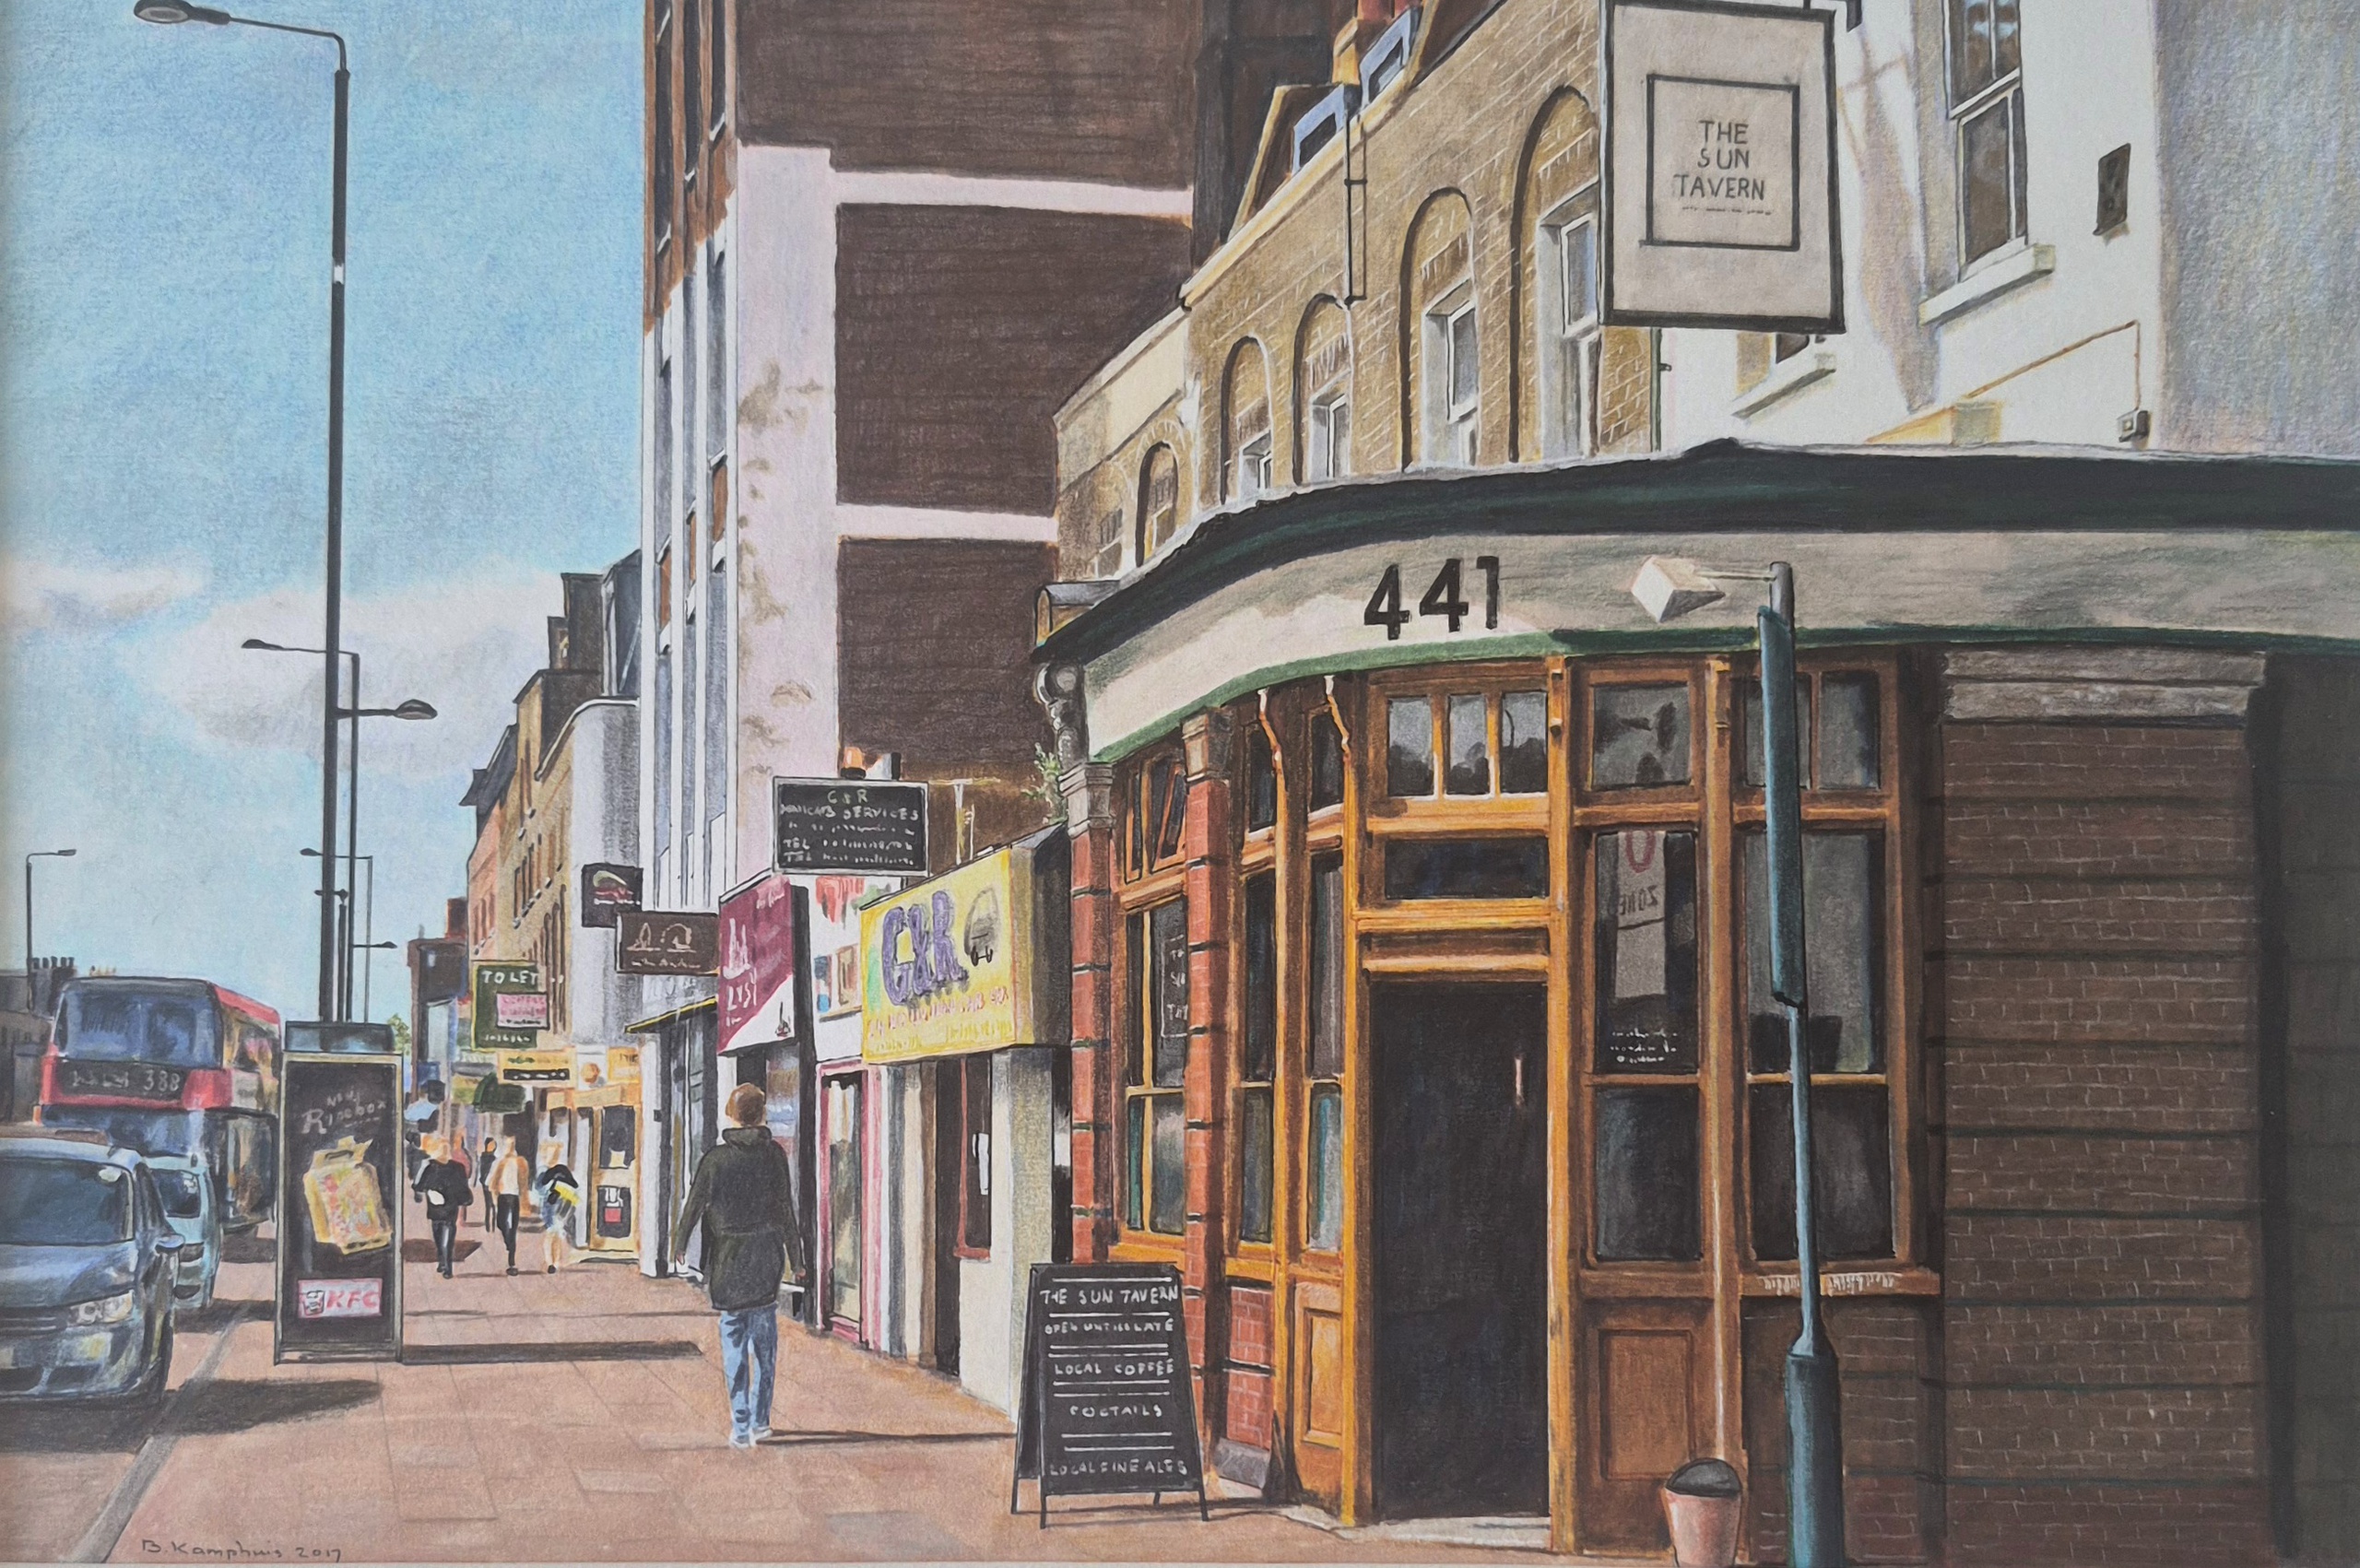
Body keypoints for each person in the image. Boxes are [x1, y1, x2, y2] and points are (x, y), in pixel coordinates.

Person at [672, 1083, 806, 1449]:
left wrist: (680, 1244)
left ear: (730, 1116)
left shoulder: (715, 1159)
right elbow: (786, 1211)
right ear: (762, 1115)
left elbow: (694, 1205)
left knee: (733, 1343)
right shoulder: (774, 1156)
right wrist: (797, 1259)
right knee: (765, 1347)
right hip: (765, 1260)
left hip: (728, 1260)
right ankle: (762, 1421)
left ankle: (741, 1424)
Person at [412, 1136, 473, 1279]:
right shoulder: (448, 1168)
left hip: (441, 1209)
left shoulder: (434, 1168)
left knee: (443, 1236)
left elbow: (420, 1186)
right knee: (442, 1236)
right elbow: (463, 1189)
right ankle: (443, 1261)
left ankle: (446, 1266)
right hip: (445, 1209)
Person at [488, 1137, 531, 1276]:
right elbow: (493, 1181)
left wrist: (525, 1199)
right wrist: (494, 1196)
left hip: (515, 1196)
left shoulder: (521, 1162)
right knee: (501, 1223)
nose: (510, 1147)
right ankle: (508, 1243)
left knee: (513, 1227)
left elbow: (525, 1182)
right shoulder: (501, 1162)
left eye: (512, 1144)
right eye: (508, 1145)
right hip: (503, 1196)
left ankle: (511, 1258)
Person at [537, 1155, 581, 1275]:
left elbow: (543, 1197)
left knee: (550, 1236)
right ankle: (554, 1263)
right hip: (560, 1213)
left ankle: (551, 1263)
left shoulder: (549, 1180)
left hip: (553, 1212)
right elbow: (574, 1201)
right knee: (556, 1237)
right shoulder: (568, 1184)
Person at [476, 1138, 498, 1231]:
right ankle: (489, 1225)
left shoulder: (493, 1158)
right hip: (486, 1183)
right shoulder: (485, 1157)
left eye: (494, 1145)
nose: (492, 1146)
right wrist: (484, 1181)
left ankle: (492, 1225)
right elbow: (482, 1171)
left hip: (491, 1183)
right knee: (489, 1205)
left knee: (493, 1205)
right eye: (491, 1144)